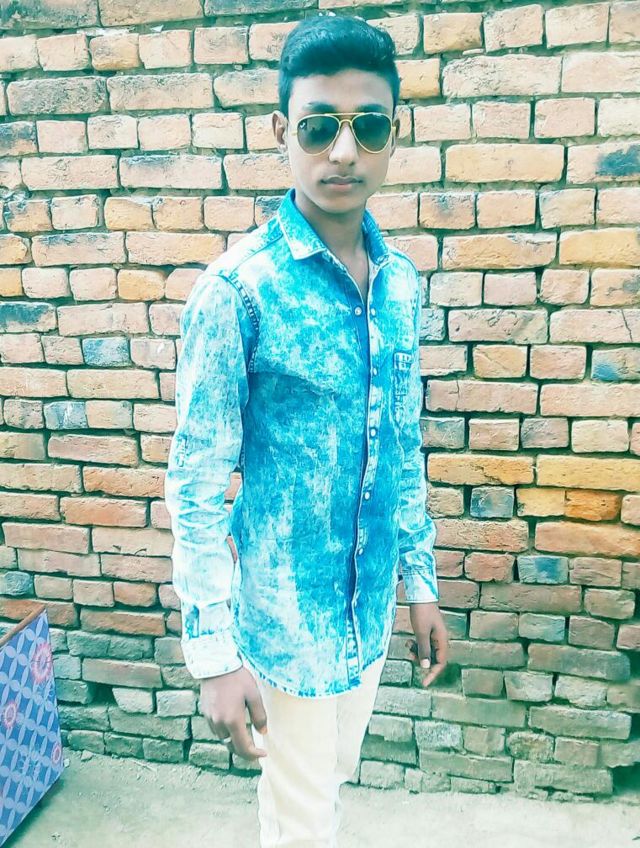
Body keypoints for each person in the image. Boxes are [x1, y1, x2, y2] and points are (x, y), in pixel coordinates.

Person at [164, 13, 449, 847]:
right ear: (281, 131)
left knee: (328, 787)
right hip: (283, 624)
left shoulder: (400, 283)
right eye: (320, 127)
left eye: (369, 127)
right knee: (301, 821)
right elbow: (195, 485)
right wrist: (214, 655)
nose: (344, 152)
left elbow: (400, 446)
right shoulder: (237, 293)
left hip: (368, 609)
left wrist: (420, 582)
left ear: (395, 134)